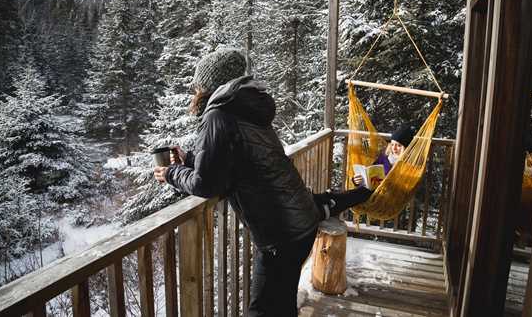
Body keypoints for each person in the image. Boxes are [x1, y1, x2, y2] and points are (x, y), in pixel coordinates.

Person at [153, 48, 370, 316]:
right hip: (299, 222)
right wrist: (190, 160)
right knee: (280, 306)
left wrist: (171, 174)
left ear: (210, 85)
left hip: (282, 234)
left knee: (262, 310)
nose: (194, 92)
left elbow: (207, 184)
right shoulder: (244, 111)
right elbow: (237, 161)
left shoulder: (218, 115)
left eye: (198, 85)